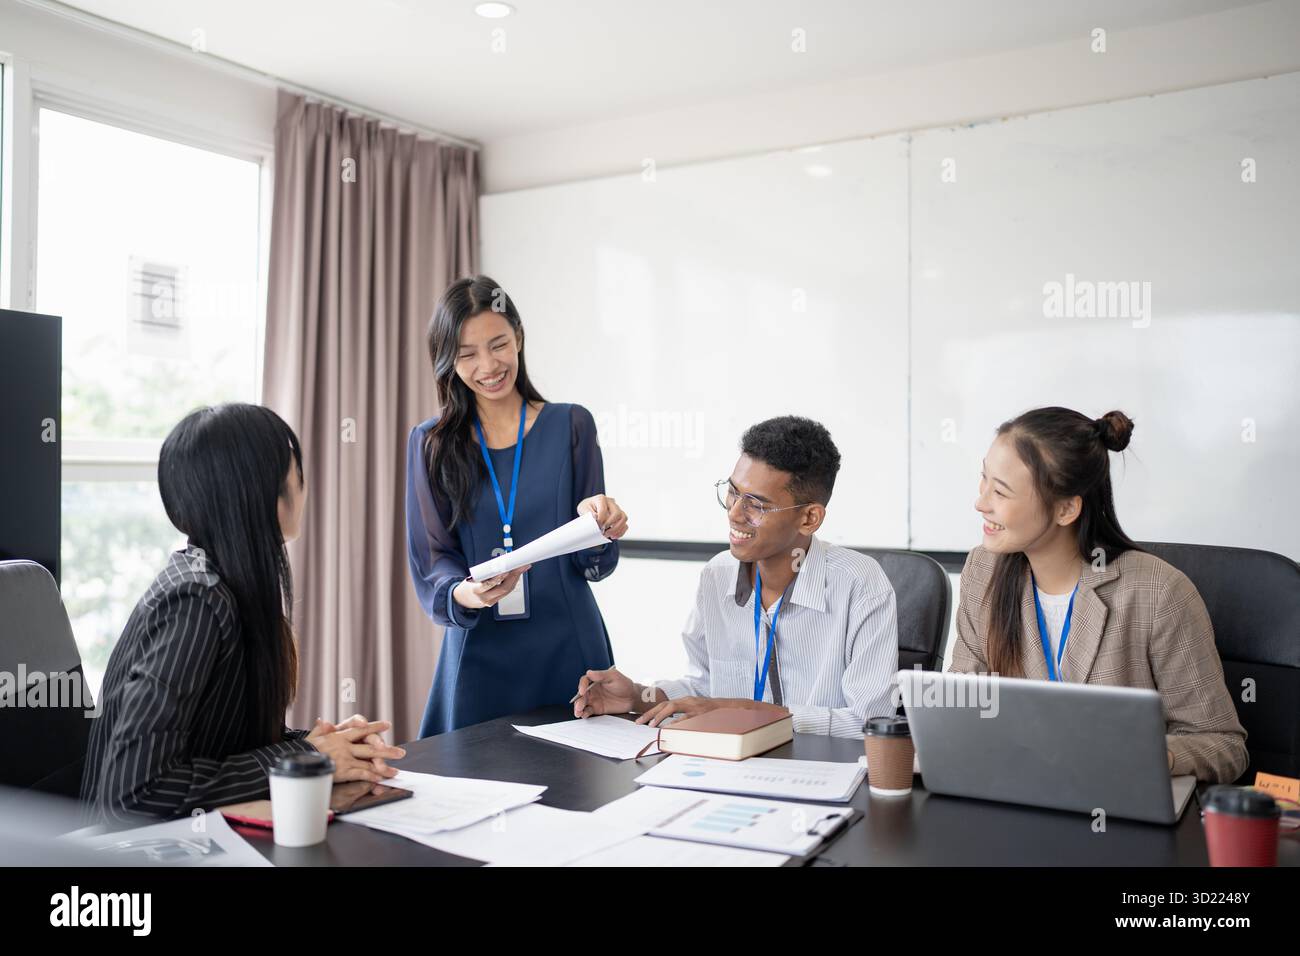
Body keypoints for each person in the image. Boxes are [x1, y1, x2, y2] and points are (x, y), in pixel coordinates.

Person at [81, 403, 405, 825]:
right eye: (296, 471)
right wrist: (303, 757)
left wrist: (322, 744)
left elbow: (212, 742)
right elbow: (134, 794)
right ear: (262, 494)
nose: (304, 485)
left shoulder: (224, 584)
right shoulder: (195, 601)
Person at [949, 406, 1247, 783]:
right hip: (1014, 795)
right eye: (984, 480)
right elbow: (961, 702)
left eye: (1001, 491)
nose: (981, 502)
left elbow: (1224, 745)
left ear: (1066, 508)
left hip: (1115, 810)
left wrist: (1149, 757)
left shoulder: (1158, 593)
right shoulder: (983, 572)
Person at [574, 416, 898, 738]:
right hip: (731, 769)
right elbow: (703, 688)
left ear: (809, 518)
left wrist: (743, 713)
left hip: (820, 775)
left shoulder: (860, 585)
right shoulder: (717, 576)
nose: (733, 512)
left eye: (756, 504)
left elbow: (870, 723)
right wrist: (638, 696)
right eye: (732, 492)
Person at [407, 275, 628, 736]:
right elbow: (432, 559)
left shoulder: (572, 424)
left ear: (519, 338)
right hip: (478, 652)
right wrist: (466, 593)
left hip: (567, 648)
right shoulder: (430, 443)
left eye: (498, 344)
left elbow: (593, 563)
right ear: (448, 360)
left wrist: (601, 525)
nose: (488, 365)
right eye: (467, 354)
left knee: (582, 795)